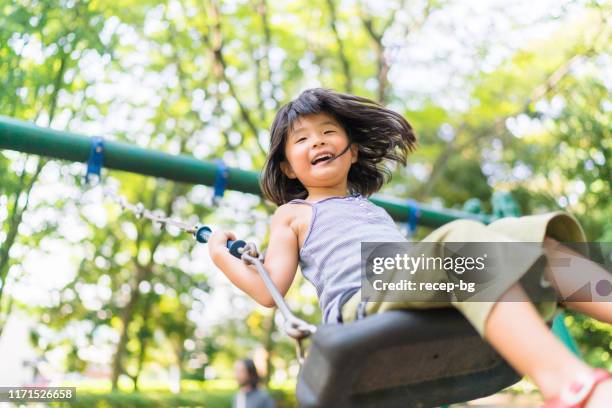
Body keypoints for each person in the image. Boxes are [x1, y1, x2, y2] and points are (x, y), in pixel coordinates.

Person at [209, 88, 612, 407]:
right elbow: (268, 290)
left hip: (403, 282)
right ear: (287, 167)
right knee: (462, 236)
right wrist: (220, 256)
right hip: (361, 299)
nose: (317, 141)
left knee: (529, 240)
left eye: (328, 132)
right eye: (302, 138)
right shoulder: (293, 214)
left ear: (351, 152)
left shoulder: (367, 207)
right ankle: (569, 384)